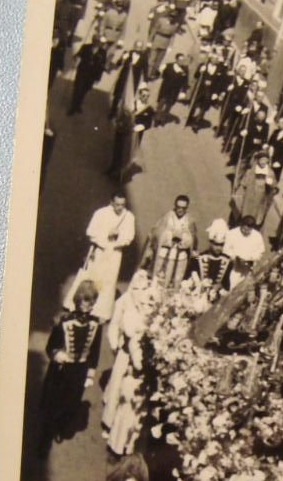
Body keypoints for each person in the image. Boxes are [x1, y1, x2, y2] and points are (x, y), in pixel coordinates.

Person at [37, 281, 101, 454]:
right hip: (61, 371)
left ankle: (61, 426)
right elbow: (50, 347)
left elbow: (95, 351)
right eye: (84, 301)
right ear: (77, 300)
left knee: (71, 403)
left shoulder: (96, 324)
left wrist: (90, 373)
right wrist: (57, 355)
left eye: (91, 301)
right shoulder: (64, 322)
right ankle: (45, 440)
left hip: (79, 371)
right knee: (53, 404)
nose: (87, 306)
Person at [101, 271, 154, 455]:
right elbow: (114, 324)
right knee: (117, 387)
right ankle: (109, 423)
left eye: (144, 286)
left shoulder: (151, 304)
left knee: (132, 396)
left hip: (140, 355)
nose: (141, 290)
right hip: (125, 352)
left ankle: (125, 435)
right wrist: (114, 343)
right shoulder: (123, 301)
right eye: (137, 286)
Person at [64, 194, 136, 322]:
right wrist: (106, 236)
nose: (120, 208)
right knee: (92, 278)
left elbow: (129, 236)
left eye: (123, 205)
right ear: (111, 203)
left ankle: (101, 312)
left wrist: (118, 238)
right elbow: (90, 232)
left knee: (109, 281)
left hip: (115, 252)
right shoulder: (100, 213)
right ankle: (79, 305)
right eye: (117, 204)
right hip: (99, 250)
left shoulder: (129, 217)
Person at [141, 195, 198, 287]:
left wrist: (183, 238)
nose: (180, 210)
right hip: (164, 253)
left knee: (176, 281)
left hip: (180, 256)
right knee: (159, 281)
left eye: (183, 208)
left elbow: (193, 239)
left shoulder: (190, 220)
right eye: (178, 207)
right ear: (175, 206)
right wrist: (170, 236)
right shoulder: (167, 217)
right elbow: (156, 233)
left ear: (186, 208)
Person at [106, 85, 155, 183]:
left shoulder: (149, 110)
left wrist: (138, 127)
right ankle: (112, 169)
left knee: (127, 154)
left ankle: (120, 176)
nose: (145, 98)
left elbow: (148, 124)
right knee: (118, 151)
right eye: (143, 95)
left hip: (135, 135)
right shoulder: (132, 104)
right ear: (139, 95)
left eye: (147, 96)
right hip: (124, 131)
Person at [232, 148, 276, 227]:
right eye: (261, 160)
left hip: (261, 197)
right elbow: (244, 184)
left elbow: (273, 188)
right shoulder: (251, 171)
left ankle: (254, 226)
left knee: (257, 214)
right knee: (246, 212)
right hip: (249, 196)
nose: (263, 162)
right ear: (258, 160)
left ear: (268, 161)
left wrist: (270, 184)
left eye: (265, 160)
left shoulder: (270, 173)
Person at [222, 215, 266, 289]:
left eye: (248, 230)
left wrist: (251, 259)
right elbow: (226, 250)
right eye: (244, 229)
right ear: (241, 225)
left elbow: (260, 252)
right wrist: (235, 258)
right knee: (232, 287)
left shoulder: (257, 236)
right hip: (233, 267)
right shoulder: (232, 233)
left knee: (244, 288)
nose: (246, 232)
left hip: (248, 268)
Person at [66, 35, 107, 115]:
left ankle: (78, 105)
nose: (97, 43)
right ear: (93, 40)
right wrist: (76, 58)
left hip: (92, 75)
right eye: (96, 41)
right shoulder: (85, 47)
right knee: (77, 89)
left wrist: (98, 77)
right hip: (82, 72)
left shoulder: (103, 52)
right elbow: (78, 55)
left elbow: (102, 66)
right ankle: (73, 107)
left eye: (100, 42)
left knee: (84, 90)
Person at [189, 219, 230, 298]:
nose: (218, 248)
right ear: (210, 243)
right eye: (216, 245)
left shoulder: (227, 261)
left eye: (221, 245)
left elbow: (227, 284)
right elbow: (190, 278)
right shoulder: (198, 258)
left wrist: (220, 286)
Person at [109, 41, 149, 119]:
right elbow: (118, 64)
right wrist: (122, 58)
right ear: (134, 46)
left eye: (140, 47)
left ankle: (123, 114)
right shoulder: (128, 53)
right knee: (118, 94)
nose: (138, 49)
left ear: (142, 49)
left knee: (129, 97)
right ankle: (112, 112)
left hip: (134, 80)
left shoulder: (144, 57)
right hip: (123, 77)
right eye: (137, 46)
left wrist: (145, 81)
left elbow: (145, 69)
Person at [153, 53, 189, 126]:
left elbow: (185, 82)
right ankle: (156, 119)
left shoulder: (185, 69)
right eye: (180, 60)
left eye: (183, 60)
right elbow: (158, 74)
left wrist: (183, 91)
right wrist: (159, 70)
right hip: (165, 89)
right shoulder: (168, 66)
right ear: (176, 60)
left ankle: (163, 120)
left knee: (169, 106)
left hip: (174, 91)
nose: (182, 62)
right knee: (160, 104)